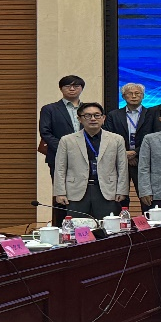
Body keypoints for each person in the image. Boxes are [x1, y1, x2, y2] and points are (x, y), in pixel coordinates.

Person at [53, 103, 129, 221]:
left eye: (97, 115)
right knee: (79, 228)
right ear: (79, 119)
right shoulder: (67, 140)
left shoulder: (116, 139)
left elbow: (122, 167)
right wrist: (60, 192)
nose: (93, 119)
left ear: (103, 118)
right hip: (76, 191)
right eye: (88, 116)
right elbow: (60, 168)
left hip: (107, 191)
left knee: (107, 227)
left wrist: (122, 190)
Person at [39, 74, 86, 225]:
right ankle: (60, 227)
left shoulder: (88, 109)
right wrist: (65, 148)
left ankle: (83, 226)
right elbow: (45, 132)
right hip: (58, 157)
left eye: (76, 86)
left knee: (84, 193)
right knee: (61, 194)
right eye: (67, 86)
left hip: (85, 158)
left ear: (81, 89)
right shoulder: (50, 109)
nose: (72, 89)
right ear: (61, 89)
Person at [103, 82, 154, 211]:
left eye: (137, 93)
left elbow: (154, 137)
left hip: (144, 160)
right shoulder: (113, 115)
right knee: (119, 197)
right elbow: (108, 136)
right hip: (119, 160)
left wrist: (135, 152)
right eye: (130, 94)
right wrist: (124, 154)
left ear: (143, 96)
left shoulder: (151, 114)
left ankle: (149, 221)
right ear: (123, 96)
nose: (134, 96)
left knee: (146, 197)